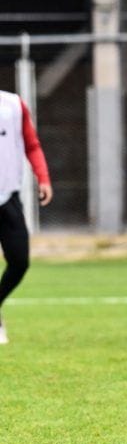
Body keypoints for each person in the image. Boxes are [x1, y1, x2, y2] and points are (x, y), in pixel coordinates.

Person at [0, 90, 53, 345]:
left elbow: (32, 145)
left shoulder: (13, 104)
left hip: (8, 197)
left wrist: (43, 178)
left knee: (20, 261)